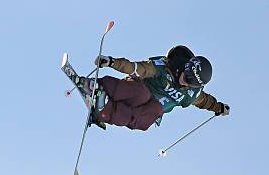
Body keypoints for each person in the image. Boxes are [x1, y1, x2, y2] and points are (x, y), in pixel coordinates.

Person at [76, 45, 230, 130]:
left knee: (152, 113)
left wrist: (219, 108)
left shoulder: (192, 93)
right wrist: (112, 62)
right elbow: (138, 68)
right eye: (185, 75)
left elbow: (205, 101)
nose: (184, 81)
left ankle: (104, 111)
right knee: (141, 93)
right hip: (135, 91)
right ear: (185, 67)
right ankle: (96, 87)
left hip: (148, 107)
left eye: (189, 82)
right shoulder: (165, 67)